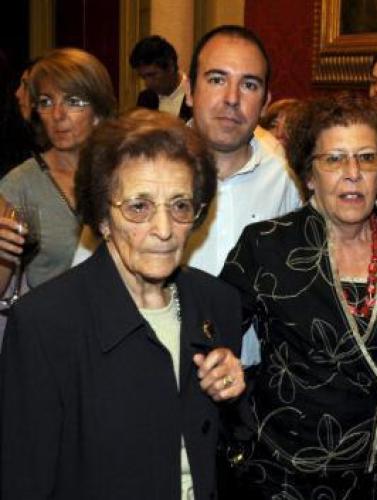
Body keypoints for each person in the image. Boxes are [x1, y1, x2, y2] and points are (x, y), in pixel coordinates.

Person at [0, 109, 245, 499]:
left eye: (180, 206)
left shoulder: (217, 303)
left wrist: (234, 395)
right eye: (139, 207)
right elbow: (23, 482)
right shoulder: (45, 324)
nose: (164, 230)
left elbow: (225, 453)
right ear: (102, 217)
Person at [220, 94, 377, 500]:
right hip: (278, 475)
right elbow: (212, 332)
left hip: (371, 478)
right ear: (309, 175)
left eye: (367, 158)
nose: (352, 174)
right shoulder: (267, 245)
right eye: (334, 159)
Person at [73, 25, 301, 369]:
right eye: (217, 79)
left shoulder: (287, 177)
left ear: (265, 102)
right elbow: (85, 283)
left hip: (250, 379)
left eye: (249, 84)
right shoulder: (136, 164)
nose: (232, 98)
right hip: (145, 369)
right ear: (190, 91)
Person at [0, 48, 116, 297]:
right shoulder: (19, 185)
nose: (57, 115)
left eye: (73, 101)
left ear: (98, 111)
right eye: (46, 102)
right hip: (50, 317)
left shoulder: (123, 173)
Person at [130, 35, 192, 120]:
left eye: (152, 75)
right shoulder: (145, 98)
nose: (147, 83)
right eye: (143, 77)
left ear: (170, 67)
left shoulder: (195, 94)